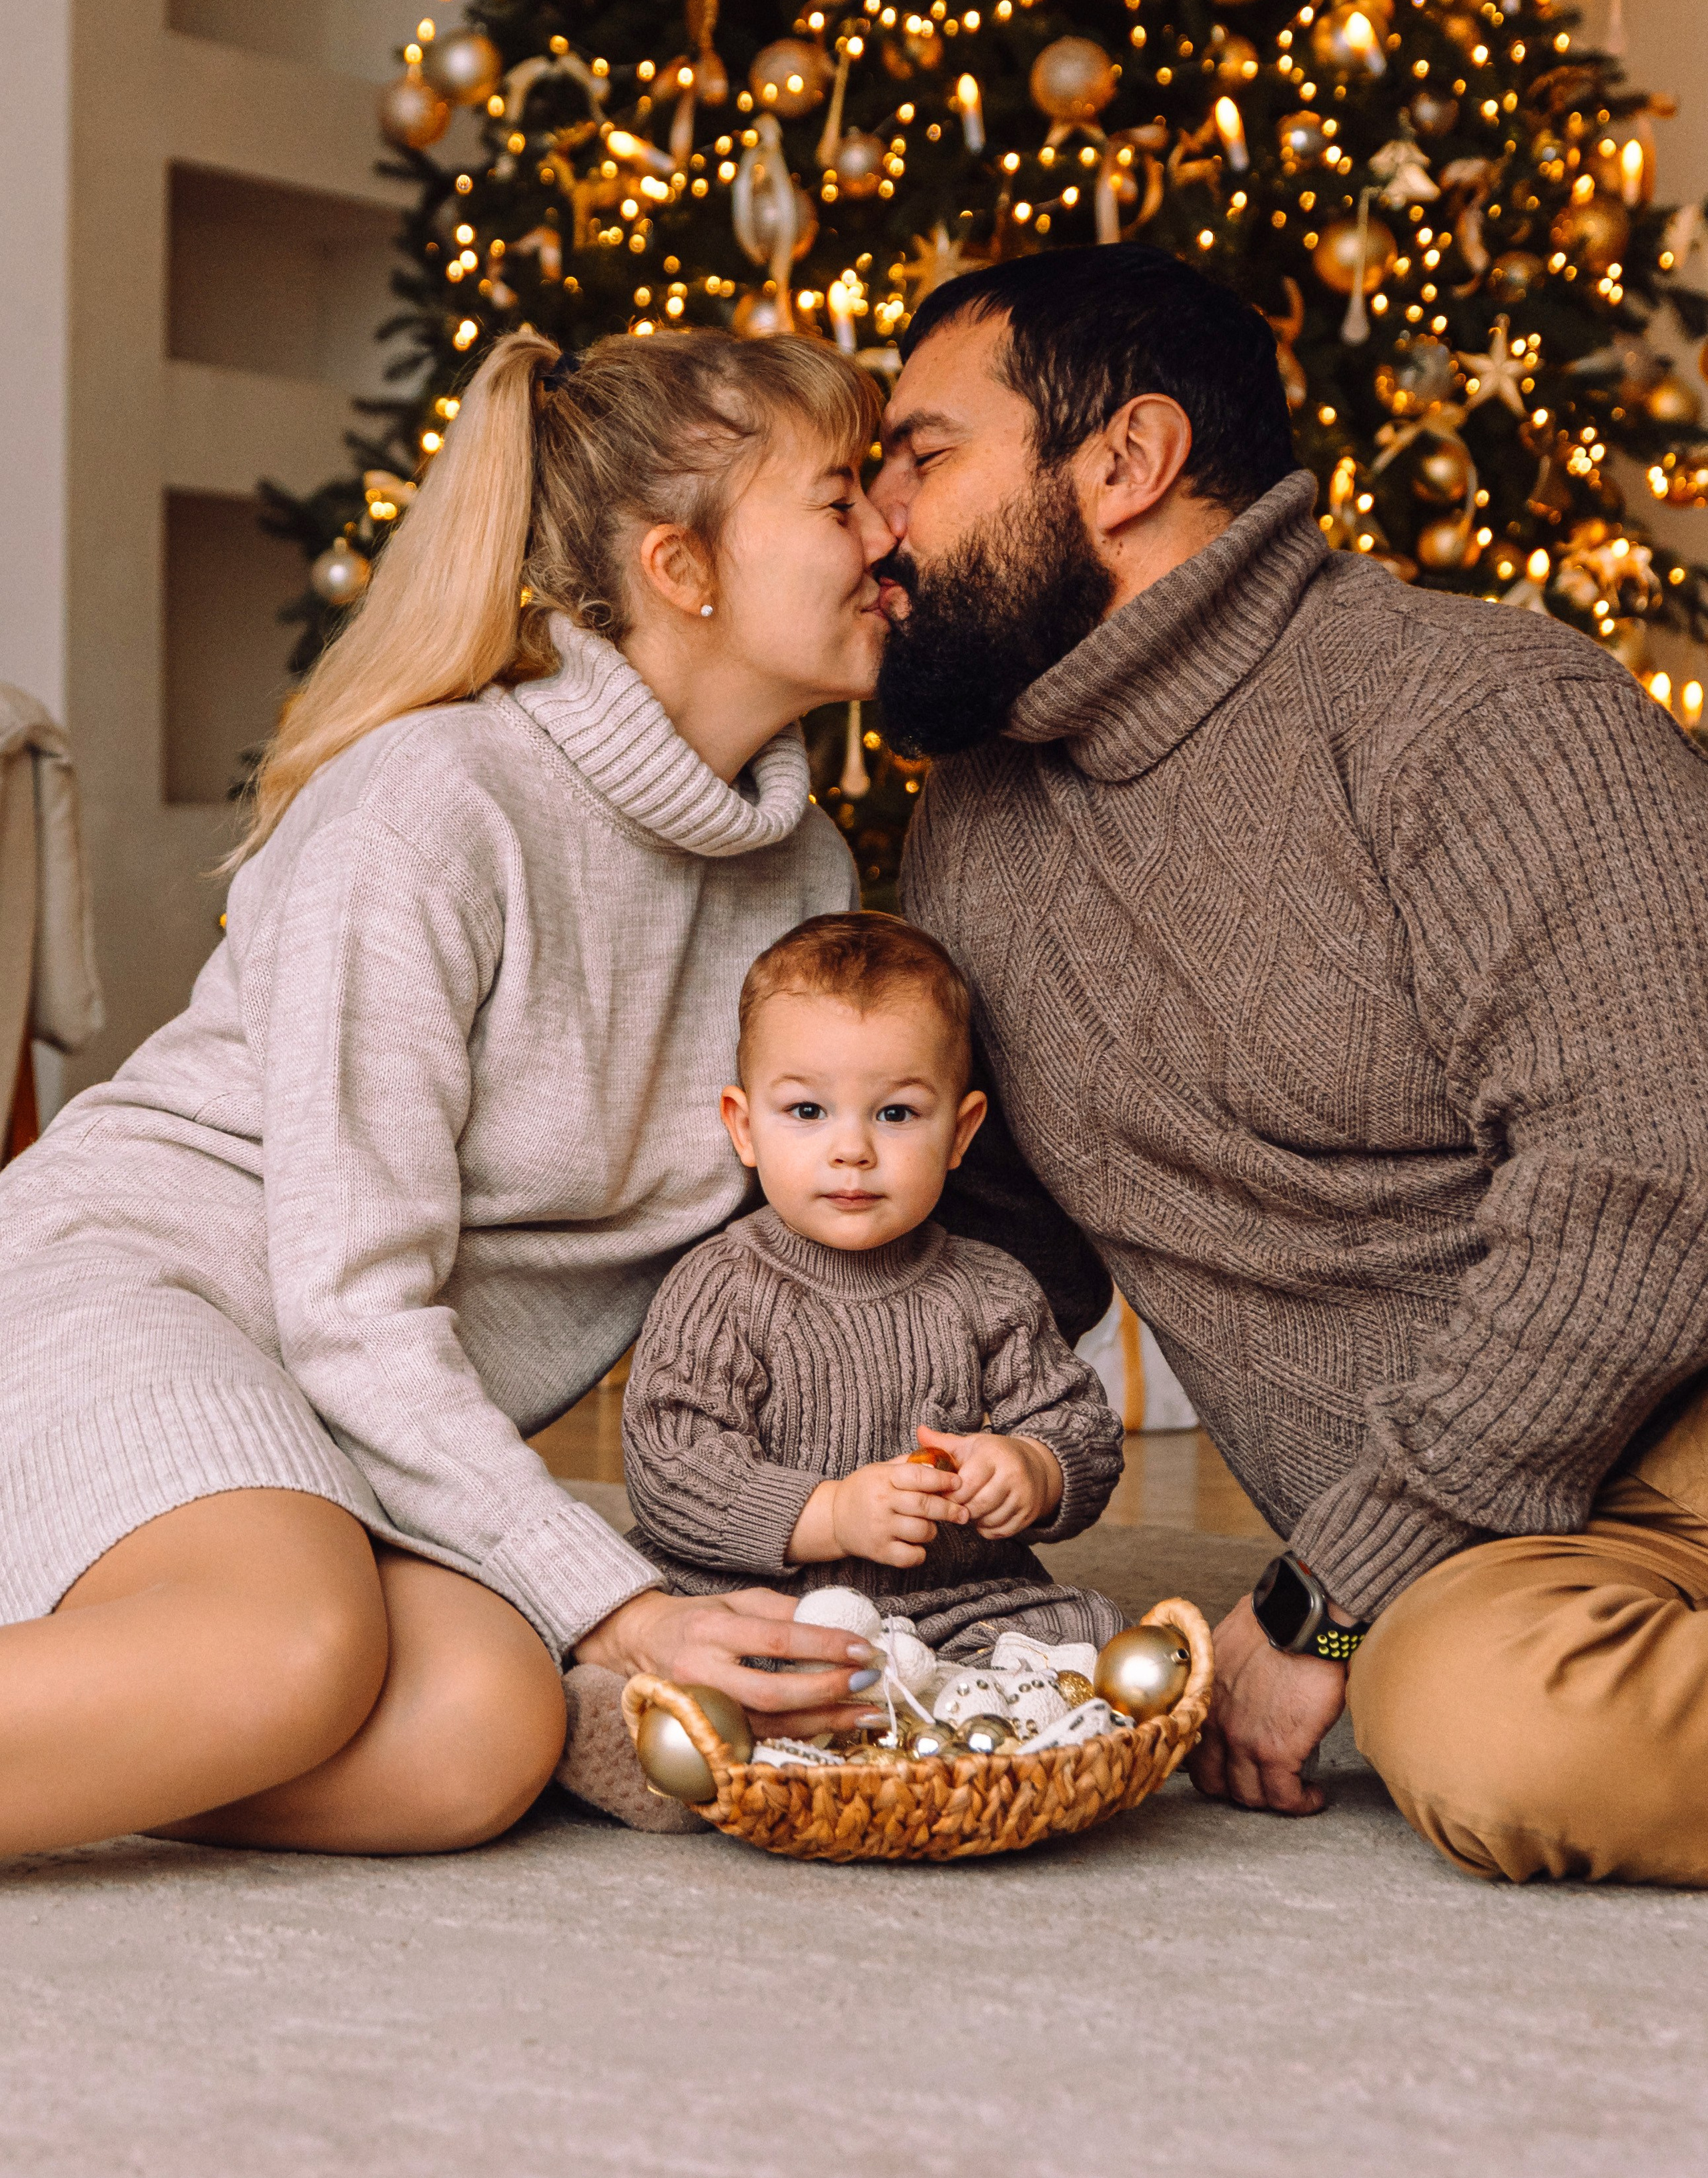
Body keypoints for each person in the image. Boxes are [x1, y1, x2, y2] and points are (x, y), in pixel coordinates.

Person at [0, 327, 904, 1859]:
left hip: (345, 1424)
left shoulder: (801, 876)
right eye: (838, 499)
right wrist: (613, 1603)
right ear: (681, 569)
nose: (891, 534)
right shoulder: (434, 805)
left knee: (481, 1724)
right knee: (288, 1649)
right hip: (141, 1297)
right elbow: (348, 1304)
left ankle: (110, 1701)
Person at [873, 242, 1708, 1886]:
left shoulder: (1472, 708)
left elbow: (1652, 1186)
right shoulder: (965, 832)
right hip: (1511, 1543)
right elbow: (981, 1255)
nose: (875, 515)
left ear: (1122, 464)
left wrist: (1328, 1594)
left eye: (919, 453)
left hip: (1664, 1420)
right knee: (1487, 1730)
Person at [619, 910, 1124, 1659]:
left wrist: (1033, 1467)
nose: (851, 1149)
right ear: (744, 1124)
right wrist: (828, 1513)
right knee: (696, 1636)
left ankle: (928, 1710)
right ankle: (875, 1703)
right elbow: (671, 1464)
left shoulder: (993, 1289)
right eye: (807, 1110)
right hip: (766, 1597)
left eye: (895, 1112)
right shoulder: (721, 1285)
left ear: (958, 1131)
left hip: (951, 1599)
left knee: (1091, 1629)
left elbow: (1079, 1423)